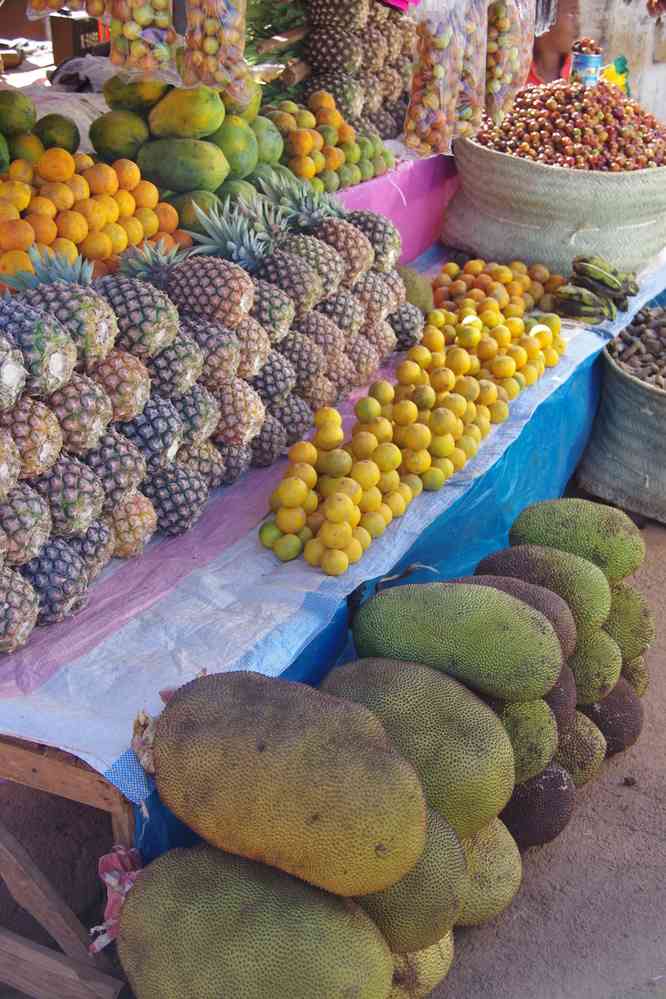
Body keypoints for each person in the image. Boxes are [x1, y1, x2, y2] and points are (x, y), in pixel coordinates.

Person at [527, 0, 580, 85]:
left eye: (577, 14)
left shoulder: (580, 72)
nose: (577, 24)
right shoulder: (517, 72)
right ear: (545, 18)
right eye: (571, 13)